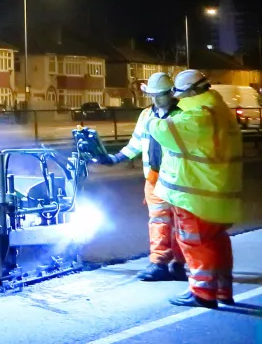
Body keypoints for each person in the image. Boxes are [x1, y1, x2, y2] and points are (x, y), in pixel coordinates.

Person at [142, 69, 243, 308]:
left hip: (194, 194)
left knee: (195, 243)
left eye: (178, 93)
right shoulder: (220, 112)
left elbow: (162, 130)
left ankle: (202, 294)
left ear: (191, 92)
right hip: (216, 191)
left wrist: (150, 116)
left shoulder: (198, 116)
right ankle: (221, 290)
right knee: (216, 241)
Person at [99, 73, 186, 281]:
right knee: (159, 221)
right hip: (155, 178)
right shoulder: (147, 114)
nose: (155, 99)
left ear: (170, 93)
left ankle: (179, 263)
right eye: (152, 95)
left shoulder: (182, 115)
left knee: (180, 223)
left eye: (159, 95)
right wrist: (116, 158)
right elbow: (137, 142)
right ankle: (159, 263)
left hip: (177, 178)